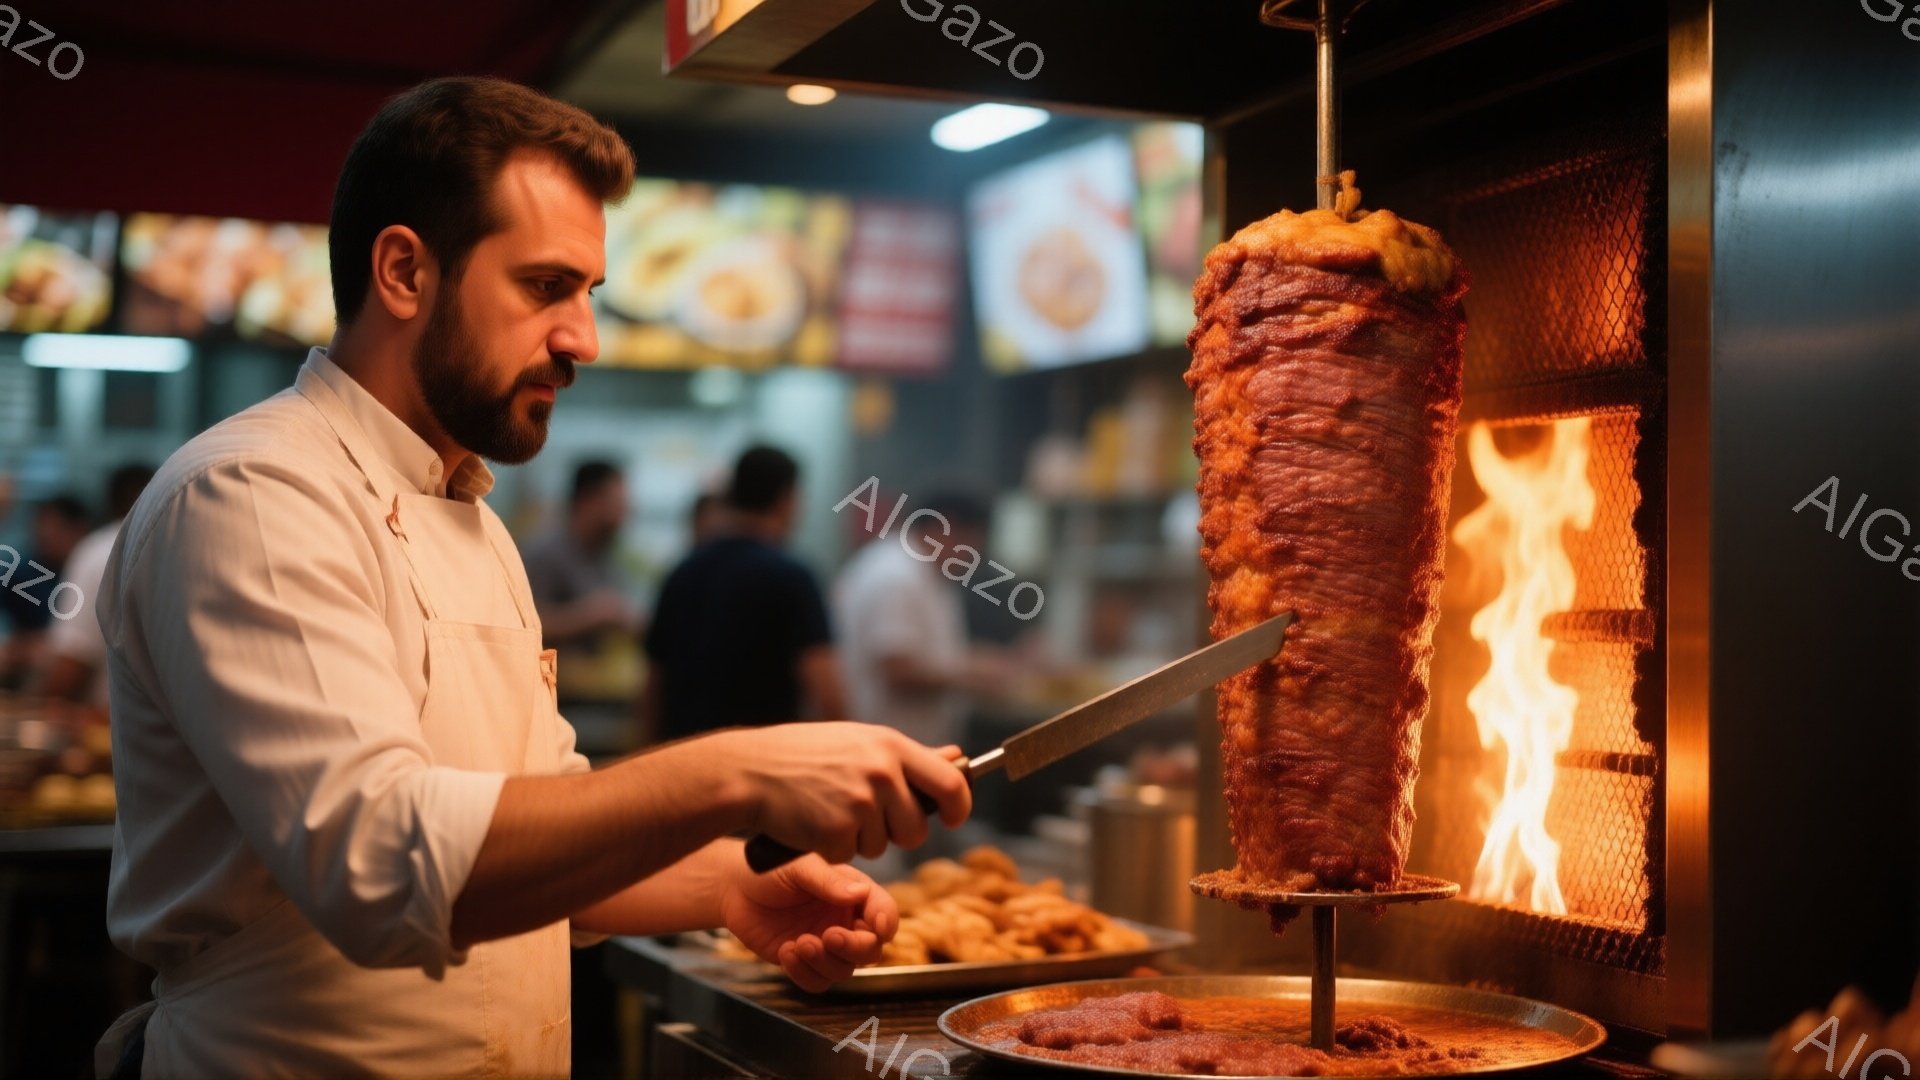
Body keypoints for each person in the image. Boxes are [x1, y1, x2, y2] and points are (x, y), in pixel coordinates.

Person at [94, 77, 968, 1079]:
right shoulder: (254, 493)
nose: (582, 339)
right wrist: (741, 773)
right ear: (404, 271)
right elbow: (382, 866)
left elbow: (539, 827)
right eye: (546, 286)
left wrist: (729, 887)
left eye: (588, 293)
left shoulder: (473, 515)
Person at [642, 446, 846, 743]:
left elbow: (653, 684)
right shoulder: (793, 578)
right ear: (786, 499)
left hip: (684, 765)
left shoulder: (682, 573)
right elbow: (825, 688)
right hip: (762, 766)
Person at [834, 490, 1007, 751]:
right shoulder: (897, 575)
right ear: (944, 527)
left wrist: (977, 661)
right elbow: (898, 670)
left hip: (906, 748)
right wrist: (970, 674)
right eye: (973, 541)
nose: (975, 554)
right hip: (882, 749)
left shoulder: (924, 571)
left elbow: (924, 654)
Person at [37, 463, 153, 710]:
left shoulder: (96, 551)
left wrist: (34, 710)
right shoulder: (172, 549)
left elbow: (72, 661)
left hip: (103, 727)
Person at [522, 459, 637, 657]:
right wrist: (593, 615)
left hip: (592, 683)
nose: (625, 511)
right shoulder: (546, 552)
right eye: (617, 501)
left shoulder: (604, 553)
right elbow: (525, 623)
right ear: (588, 500)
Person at [0, 494, 90, 687]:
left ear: (79, 530)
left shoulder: (91, 572)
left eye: (54, 530)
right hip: (26, 673)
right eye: (40, 528)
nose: (44, 535)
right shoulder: (22, 573)